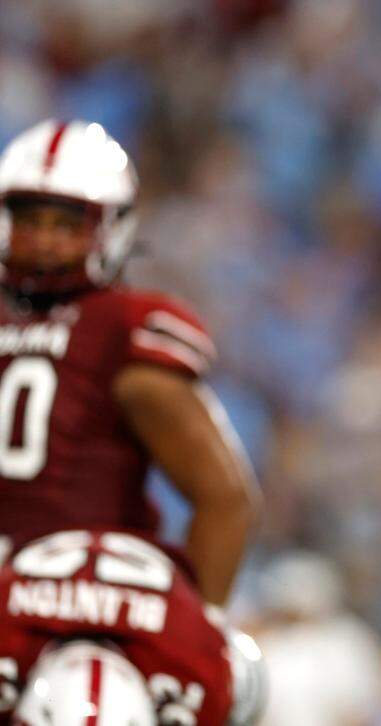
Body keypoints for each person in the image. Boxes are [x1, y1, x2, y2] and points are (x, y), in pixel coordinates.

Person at [0, 119, 262, 724]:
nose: (42, 240)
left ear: (111, 230)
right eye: (30, 219)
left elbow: (225, 497)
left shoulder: (124, 327)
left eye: (66, 224)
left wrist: (198, 625)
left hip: (83, 613)